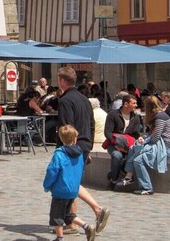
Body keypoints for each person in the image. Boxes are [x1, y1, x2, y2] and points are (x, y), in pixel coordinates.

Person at [56, 66, 109, 234]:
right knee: (73, 182)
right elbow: (92, 125)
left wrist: (65, 149)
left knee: (69, 183)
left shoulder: (65, 101)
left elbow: (66, 128)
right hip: (84, 144)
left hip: (72, 146)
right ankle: (73, 222)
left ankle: (96, 209)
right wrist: (88, 146)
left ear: (62, 81)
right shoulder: (85, 99)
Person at [43, 125, 96, 241]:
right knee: (68, 215)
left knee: (56, 215)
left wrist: (47, 185)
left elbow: (52, 171)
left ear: (61, 139)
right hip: (73, 189)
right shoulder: (80, 154)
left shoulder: (59, 154)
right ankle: (86, 226)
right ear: (75, 139)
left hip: (60, 190)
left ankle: (59, 237)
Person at [117, 96, 170, 195]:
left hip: (164, 147)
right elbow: (153, 135)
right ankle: (129, 176)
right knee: (133, 148)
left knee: (138, 160)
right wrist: (143, 138)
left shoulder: (160, 117)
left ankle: (146, 187)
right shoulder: (158, 116)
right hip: (158, 145)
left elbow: (156, 137)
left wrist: (144, 141)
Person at [103, 94, 141, 186]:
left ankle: (113, 173)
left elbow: (136, 134)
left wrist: (139, 138)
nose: (136, 105)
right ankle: (114, 179)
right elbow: (107, 132)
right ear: (126, 104)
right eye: (134, 103)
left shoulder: (135, 117)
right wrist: (117, 145)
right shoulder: (113, 114)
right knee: (117, 155)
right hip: (114, 144)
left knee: (132, 157)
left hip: (128, 145)